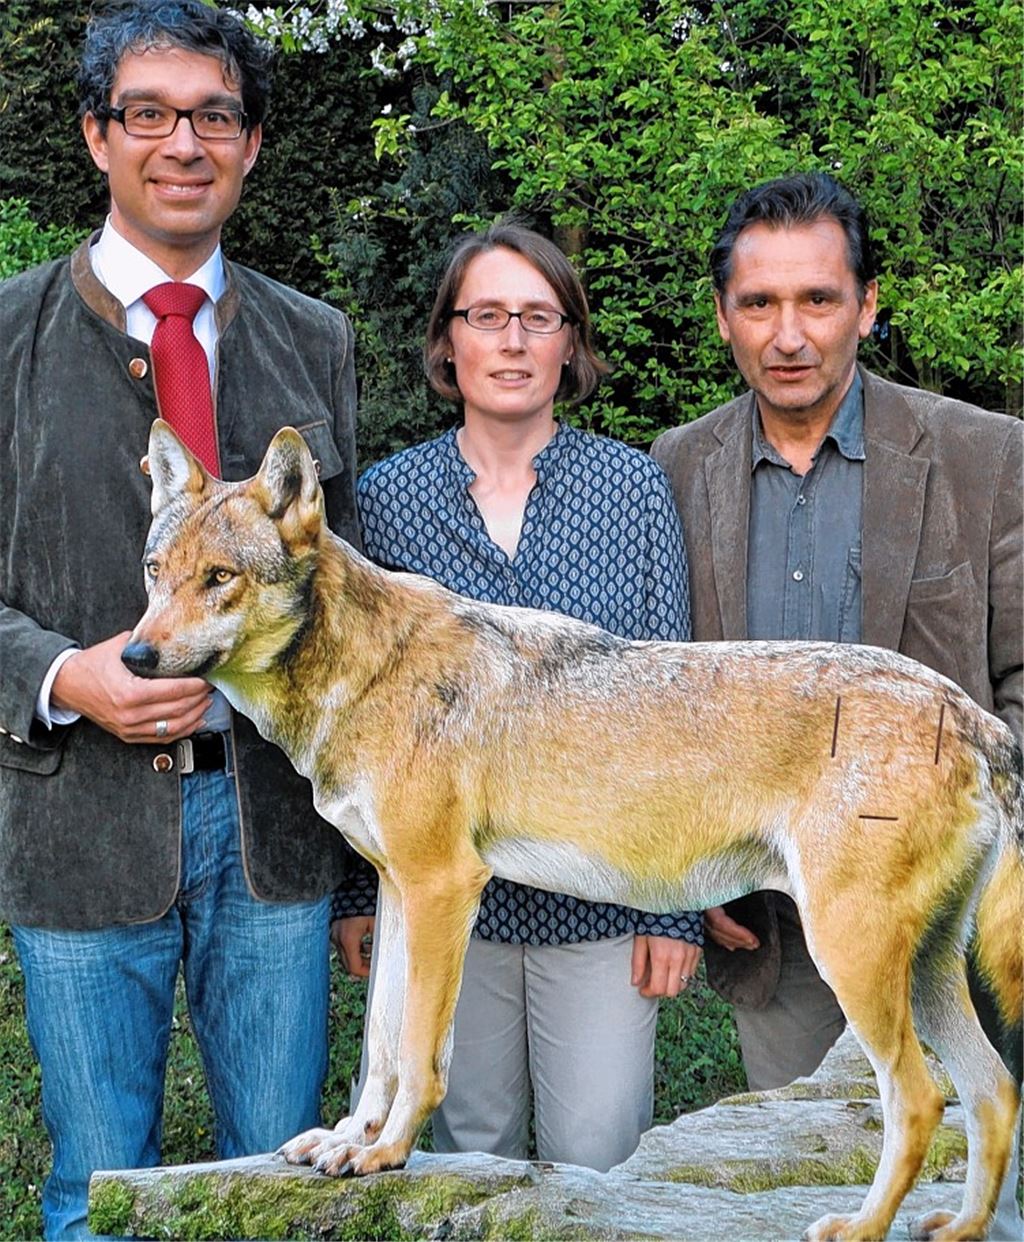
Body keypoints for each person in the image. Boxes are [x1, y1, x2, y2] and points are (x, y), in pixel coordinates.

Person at [0, 3, 373, 1236]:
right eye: (147, 114)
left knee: (277, 1187)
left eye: (214, 115)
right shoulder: (6, 335)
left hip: (274, 830)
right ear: (98, 136)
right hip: (78, 816)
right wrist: (63, 674)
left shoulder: (314, 339)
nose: (183, 143)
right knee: (96, 1192)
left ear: (253, 143)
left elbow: (343, 590)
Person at [651, 170, 1022, 1229]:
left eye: (817, 299)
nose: (788, 333)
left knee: (979, 1201)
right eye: (758, 303)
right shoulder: (672, 472)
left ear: (866, 304)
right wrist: (690, 859)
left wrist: (974, 841)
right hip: (768, 918)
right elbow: (658, 696)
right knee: (798, 1189)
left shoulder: (985, 458)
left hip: (951, 899)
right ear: (723, 313)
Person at [343, 223, 702, 1171]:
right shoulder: (387, 501)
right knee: (465, 1162)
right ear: (446, 341)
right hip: (448, 916)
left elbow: (672, 702)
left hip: (602, 900)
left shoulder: (633, 488)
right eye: (487, 316)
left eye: (537, 318)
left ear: (570, 344)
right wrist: (358, 893)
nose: (511, 340)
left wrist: (671, 910)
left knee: (599, 1164)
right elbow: (353, 712)